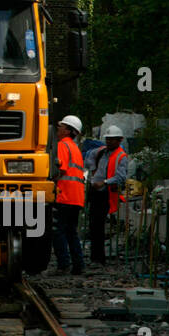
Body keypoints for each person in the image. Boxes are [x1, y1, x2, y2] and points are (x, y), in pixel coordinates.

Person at [85, 125, 126, 266]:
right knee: (93, 226)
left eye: (112, 140)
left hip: (105, 194)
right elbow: (89, 156)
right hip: (95, 193)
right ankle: (94, 257)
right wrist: (93, 170)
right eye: (107, 139)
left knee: (99, 227)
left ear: (119, 140)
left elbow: (121, 177)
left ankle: (99, 258)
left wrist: (104, 182)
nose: (108, 142)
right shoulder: (102, 152)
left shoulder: (121, 156)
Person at [51, 114, 86, 275]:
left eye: (62, 126)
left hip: (64, 194)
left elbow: (61, 169)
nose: (59, 128)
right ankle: (78, 265)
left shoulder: (62, 146)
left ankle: (63, 265)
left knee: (58, 230)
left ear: (68, 131)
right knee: (72, 231)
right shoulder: (76, 148)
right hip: (77, 197)